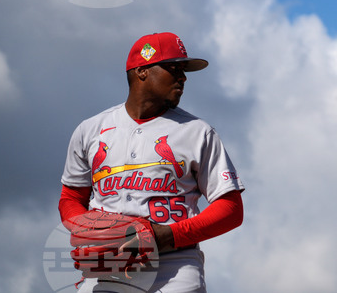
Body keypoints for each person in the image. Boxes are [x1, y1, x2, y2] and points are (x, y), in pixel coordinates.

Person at [59, 32, 245, 292]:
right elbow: (71, 197)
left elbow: (231, 209)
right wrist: (90, 231)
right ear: (142, 72)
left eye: (183, 70)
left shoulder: (198, 132)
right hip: (110, 265)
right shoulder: (90, 130)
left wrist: (167, 236)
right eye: (173, 68)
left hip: (175, 267)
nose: (183, 77)